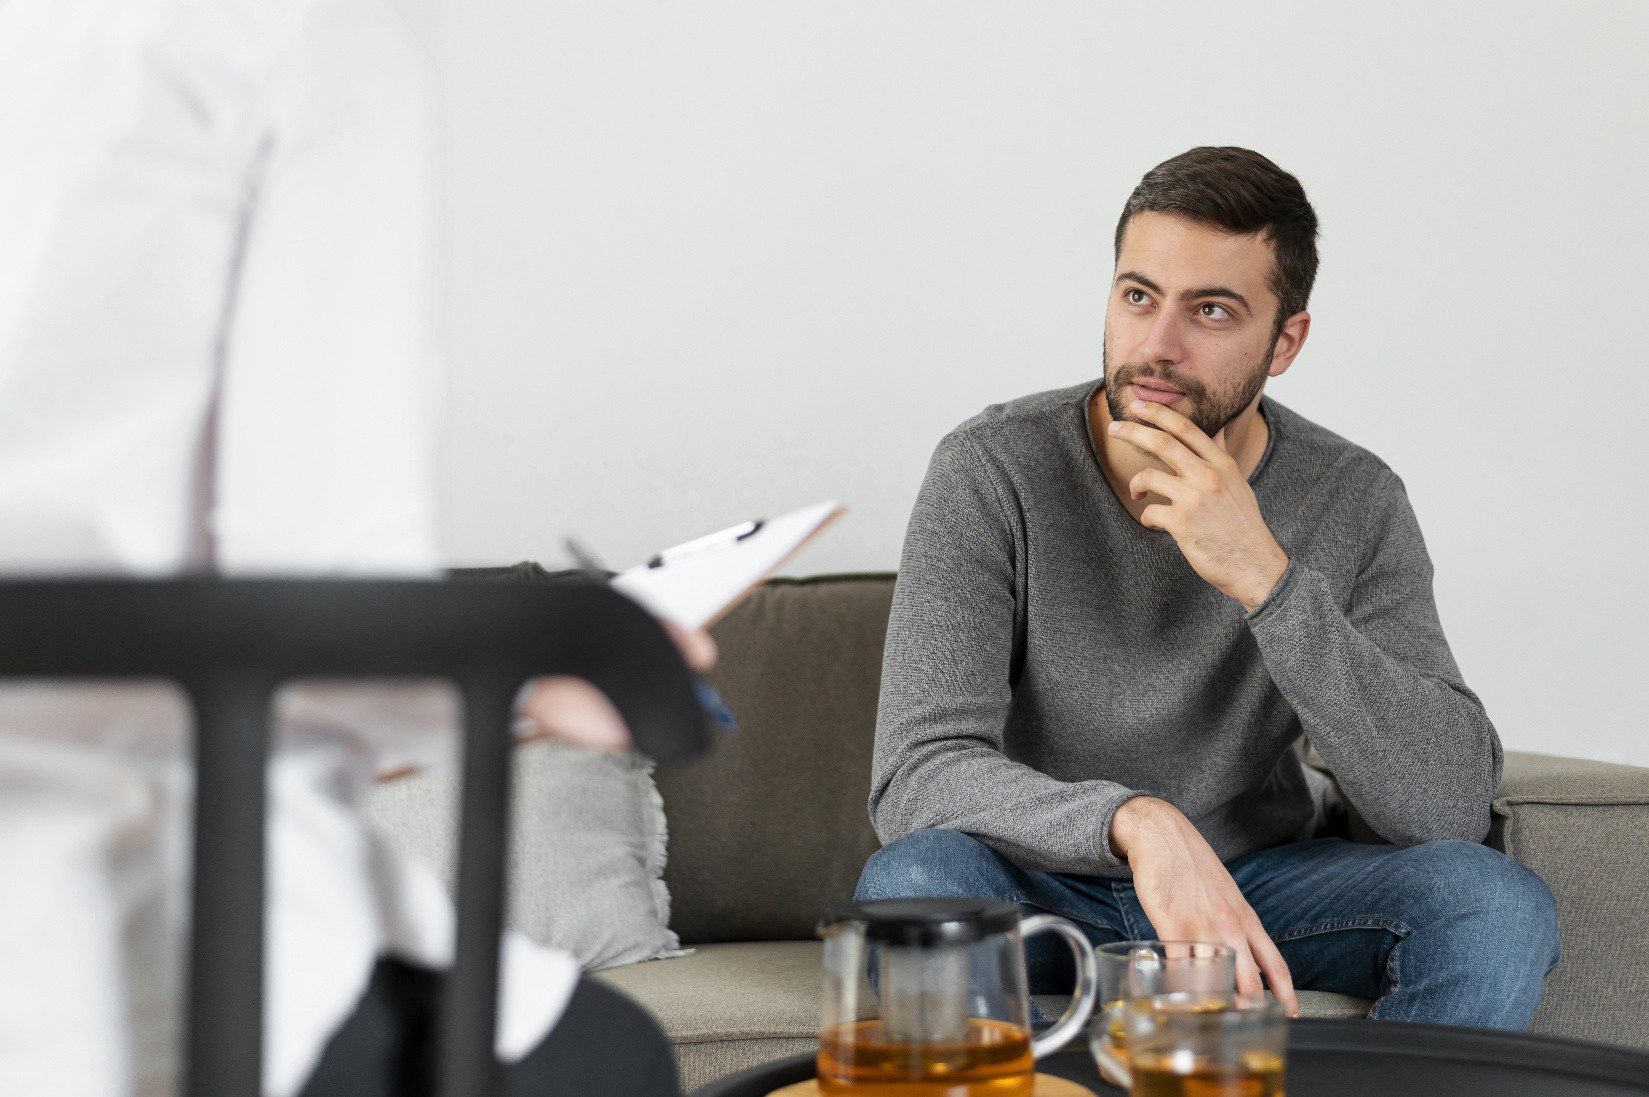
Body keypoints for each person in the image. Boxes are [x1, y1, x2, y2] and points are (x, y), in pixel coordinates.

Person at [0, 0, 700, 1093]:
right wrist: (551, 669)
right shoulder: (310, 34)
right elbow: (322, 588)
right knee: (611, 1060)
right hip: (114, 945)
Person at [854, 147, 1560, 1029]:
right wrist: (1137, 822)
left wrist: (1265, 578)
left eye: (1211, 310)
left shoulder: (1352, 497)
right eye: (1137, 296)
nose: (1157, 345)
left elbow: (1445, 805)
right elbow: (916, 772)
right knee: (914, 885)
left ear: (1285, 341)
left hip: (1254, 888)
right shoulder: (991, 469)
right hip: (1037, 877)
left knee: (1492, 905)